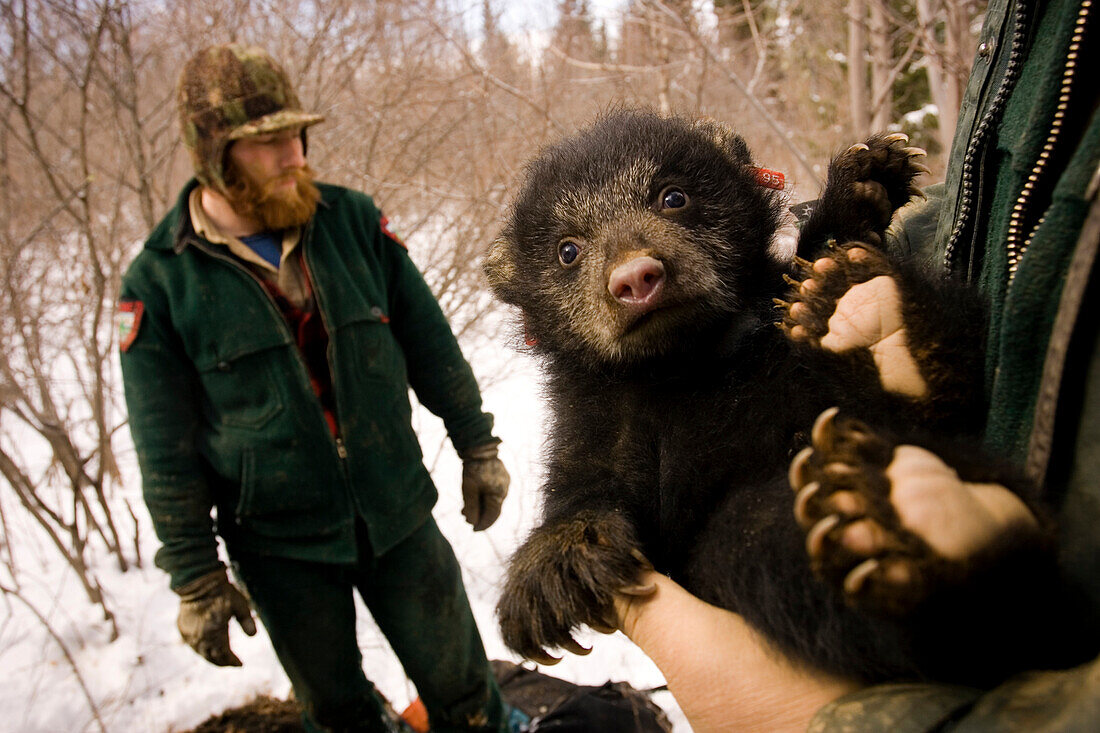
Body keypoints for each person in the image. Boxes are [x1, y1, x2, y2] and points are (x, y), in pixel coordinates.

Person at [614, 0, 1100, 729]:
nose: (631, 267)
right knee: (771, 529)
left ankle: (970, 545)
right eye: (569, 253)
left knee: (827, 484)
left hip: (901, 464)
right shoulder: (1025, 22)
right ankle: (968, 546)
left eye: (673, 200)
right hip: (868, 488)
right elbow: (992, 235)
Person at [118, 43, 522, 733]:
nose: (294, 155)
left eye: (296, 135)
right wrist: (195, 577)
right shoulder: (161, 281)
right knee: (336, 711)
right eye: (267, 143)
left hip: (396, 509)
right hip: (280, 544)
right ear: (214, 154)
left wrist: (476, 442)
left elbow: (429, 344)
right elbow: (165, 449)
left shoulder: (353, 222)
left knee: (464, 687)